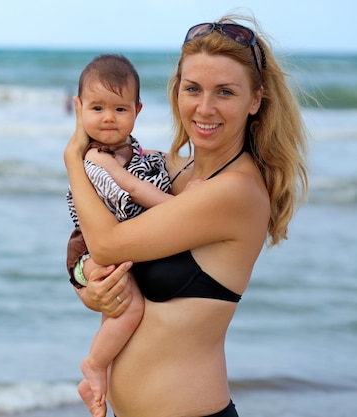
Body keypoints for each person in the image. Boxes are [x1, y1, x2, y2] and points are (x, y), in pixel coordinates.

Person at [64, 14, 308, 417]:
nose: (205, 107)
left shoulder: (236, 192)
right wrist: (86, 285)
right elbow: (93, 242)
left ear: (255, 100)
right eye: (192, 88)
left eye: (225, 92)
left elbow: (107, 244)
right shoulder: (165, 169)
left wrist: (75, 157)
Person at [66, 54, 172, 417]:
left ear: (137, 111)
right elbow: (142, 202)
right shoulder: (94, 162)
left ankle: (100, 379)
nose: (108, 117)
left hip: (114, 250)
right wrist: (183, 202)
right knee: (132, 307)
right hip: (89, 250)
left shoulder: (139, 154)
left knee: (115, 311)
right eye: (97, 108)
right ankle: (94, 365)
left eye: (120, 109)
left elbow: (151, 175)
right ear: (79, 109)